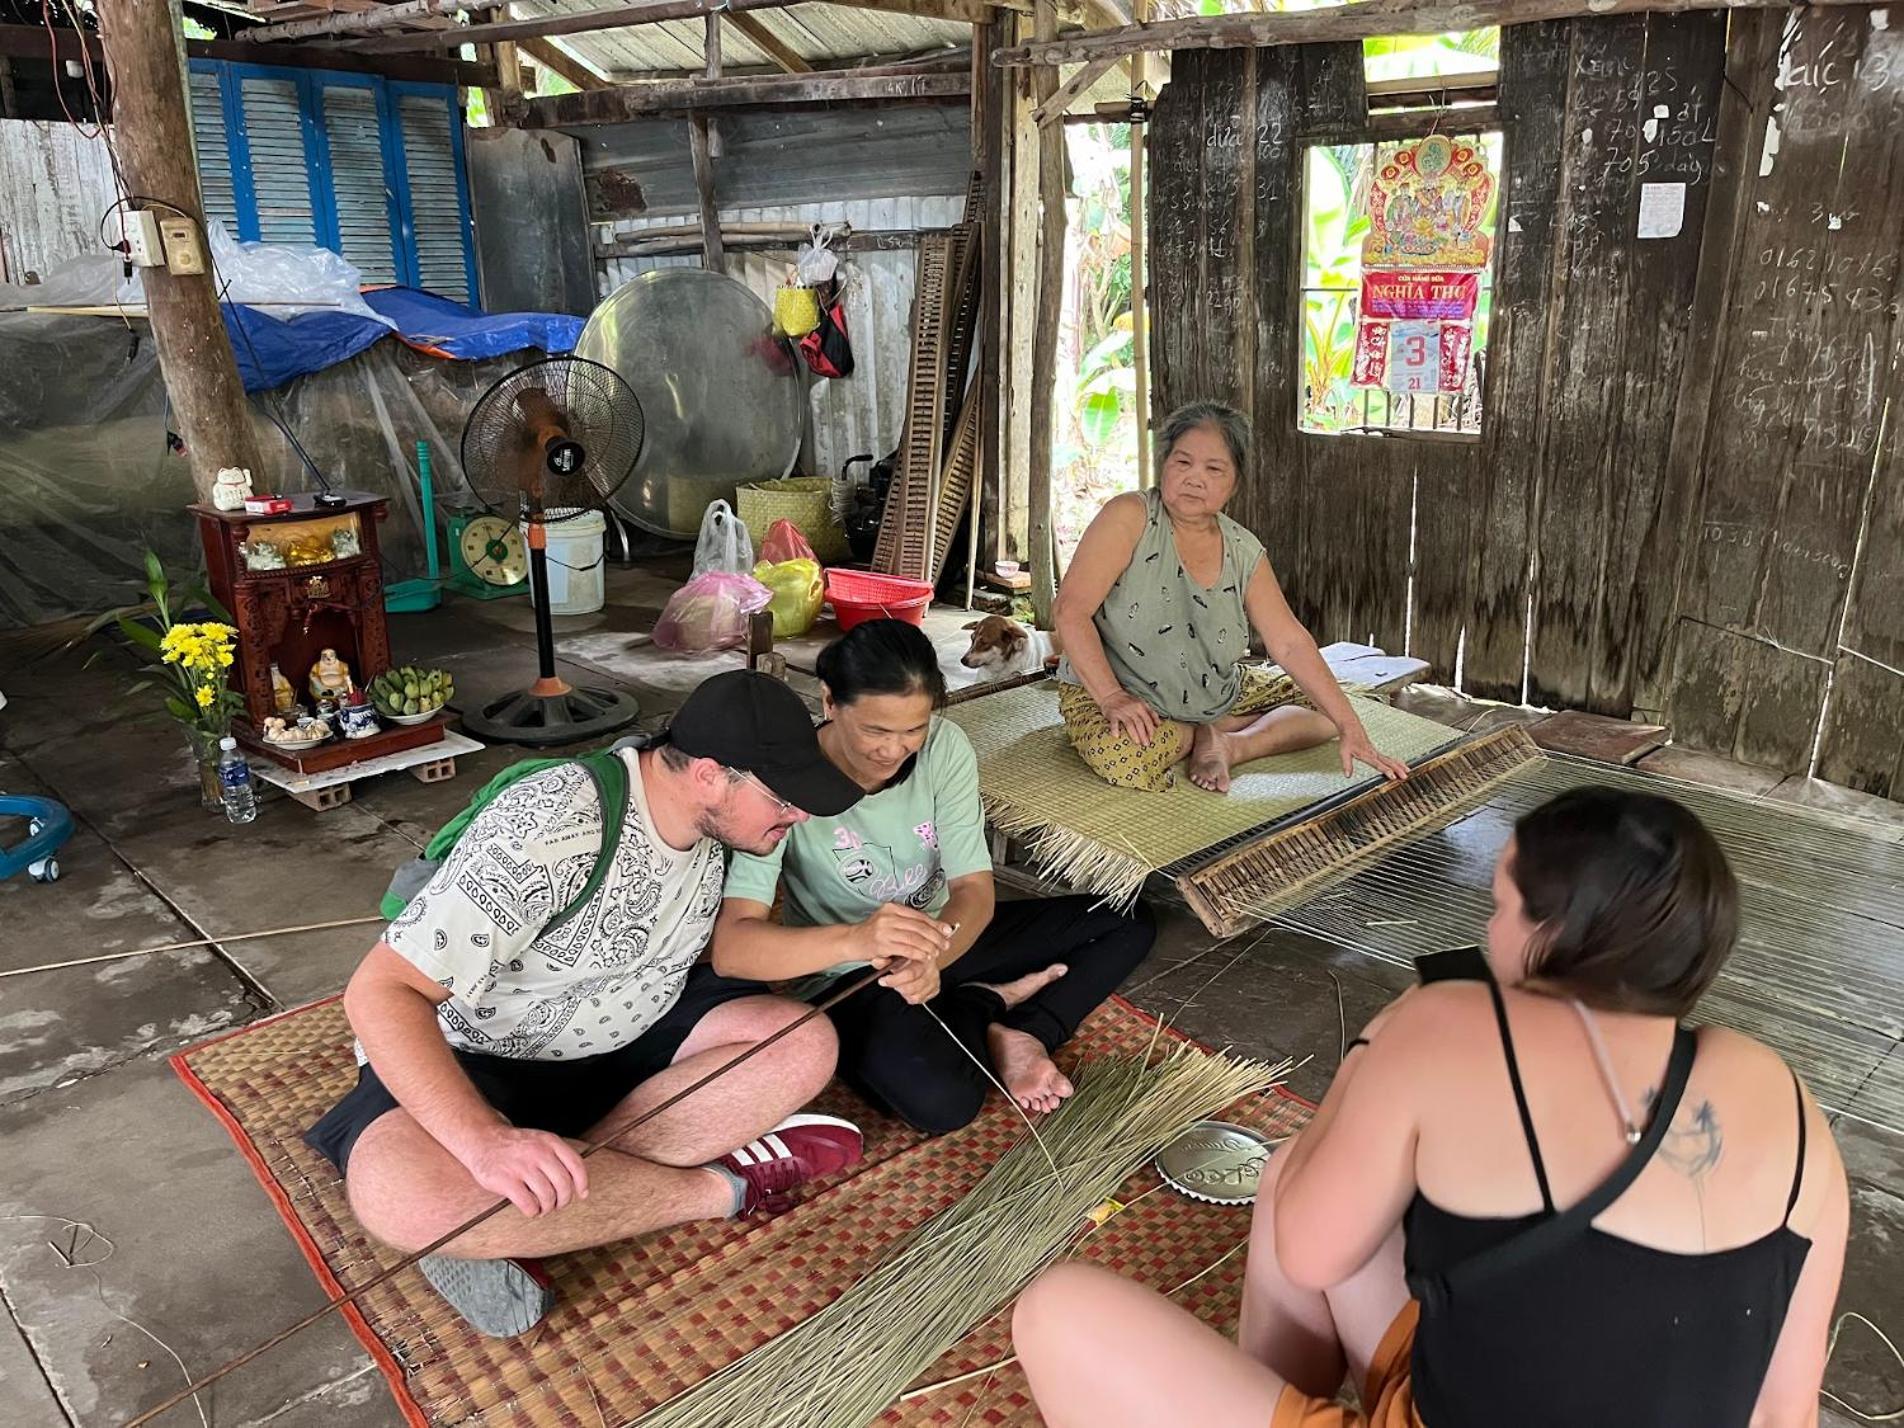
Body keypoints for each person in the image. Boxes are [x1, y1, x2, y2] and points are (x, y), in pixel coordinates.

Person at [1013, 786, 1848, 1428]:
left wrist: (1383, 1044)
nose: (1489, 931)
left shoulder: (1447, 1026)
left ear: (1551, 936)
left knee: (1058, 1311)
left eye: (1498, 906)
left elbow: (1309, 1255)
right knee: (1281, 1191)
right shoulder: (1789, 1098)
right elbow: (1784, 1413)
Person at [306, 670, 869, 1339]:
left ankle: (530, 1214)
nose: (798, 815)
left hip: (630, 1033)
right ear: (712, 776)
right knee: (401, 1196)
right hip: (484, 1057)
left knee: (804, 1041)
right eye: (785, 798)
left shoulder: (717, 826)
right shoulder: (554, 823)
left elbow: (729, 952)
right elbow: (381, 991)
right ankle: (718, 1190)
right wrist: (484, 1145)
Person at [711, 619, 1155, 1134]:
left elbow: (972, 890)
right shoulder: (781, 780)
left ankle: (1023, 1029)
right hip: (855, 971)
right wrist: (857, 940)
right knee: (943, 1104)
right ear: (830, 702)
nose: (893, 750)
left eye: (912, 730)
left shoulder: (945, 748)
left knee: (1127, 920)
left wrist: (933, 958)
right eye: (875, 730)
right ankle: (985, 1002)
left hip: (946, 937)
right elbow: (734, 948)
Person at [1053, 401, 1409, 794]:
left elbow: (1288, 642)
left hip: (1214, 691)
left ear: (1234, 483)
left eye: (1214, 469)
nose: (1194, 479)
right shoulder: (1129, 516)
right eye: (1182, 463)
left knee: (1328, 712)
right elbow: (1070, 611)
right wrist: (1111, 697)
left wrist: (1351, 729)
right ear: (1163, 465)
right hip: (1115, 690)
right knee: (1125, 757)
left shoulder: (1242, 549)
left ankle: (1230, 742)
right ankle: (1204, 732)